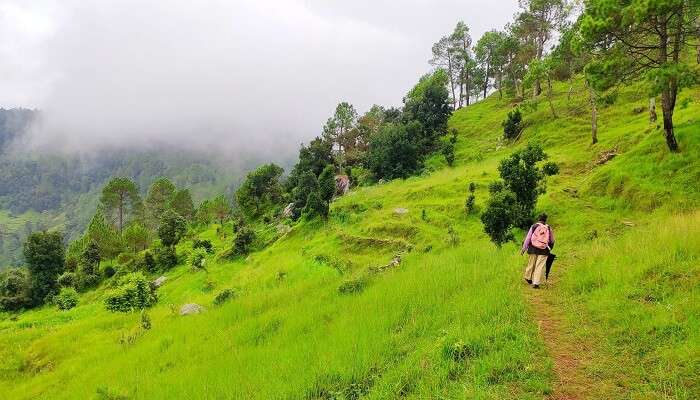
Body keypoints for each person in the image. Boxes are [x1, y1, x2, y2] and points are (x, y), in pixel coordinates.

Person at [520, 213, 555, 289]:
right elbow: (552, 240)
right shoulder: (548, 228)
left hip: (533, 248)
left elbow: (528, 239)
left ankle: (528, 277)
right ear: (546, 220)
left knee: (531, 263)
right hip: (544, 250)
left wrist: (523, 249)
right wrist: (550, 248)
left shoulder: (534, 226)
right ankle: (536, 283)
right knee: (539, 266)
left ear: (538, 219)